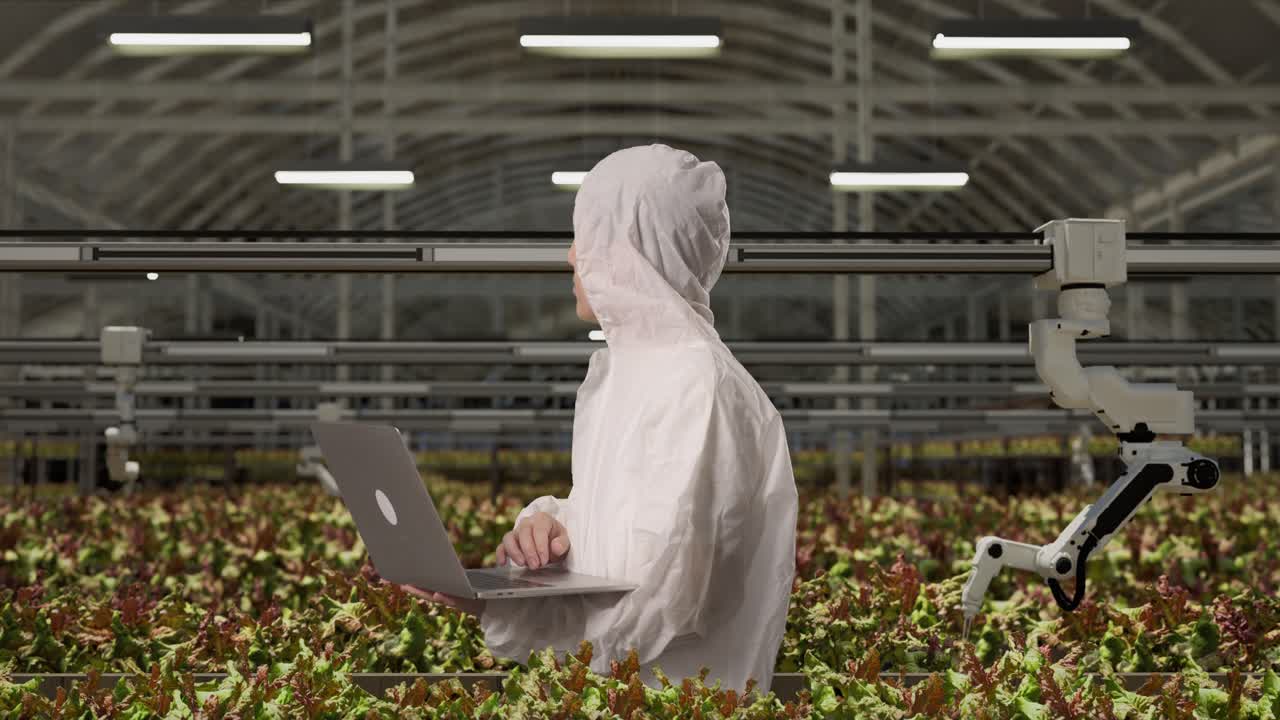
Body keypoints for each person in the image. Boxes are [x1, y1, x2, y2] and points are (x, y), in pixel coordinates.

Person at [403, 144, 798, 693]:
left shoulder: (697, 385)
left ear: (630, 249)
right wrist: (544, 538)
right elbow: (619, 546)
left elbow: (658, 605)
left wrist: (506, 607)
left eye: (585, 238)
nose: (571, 257)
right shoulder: (632, 377)